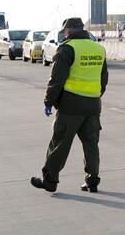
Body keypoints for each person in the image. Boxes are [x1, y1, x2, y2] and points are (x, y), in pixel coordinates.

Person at [31, 17, 108, 193]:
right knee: (91, 144)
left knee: (60, 143)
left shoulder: (67, 48)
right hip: (94, 104)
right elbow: (104, 79)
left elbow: (57, 79)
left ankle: (49, 181)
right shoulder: (99, 48)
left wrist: (48, 102)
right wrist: (95, 95)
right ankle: (92, 181)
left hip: (71, 105)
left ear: (68, 31)